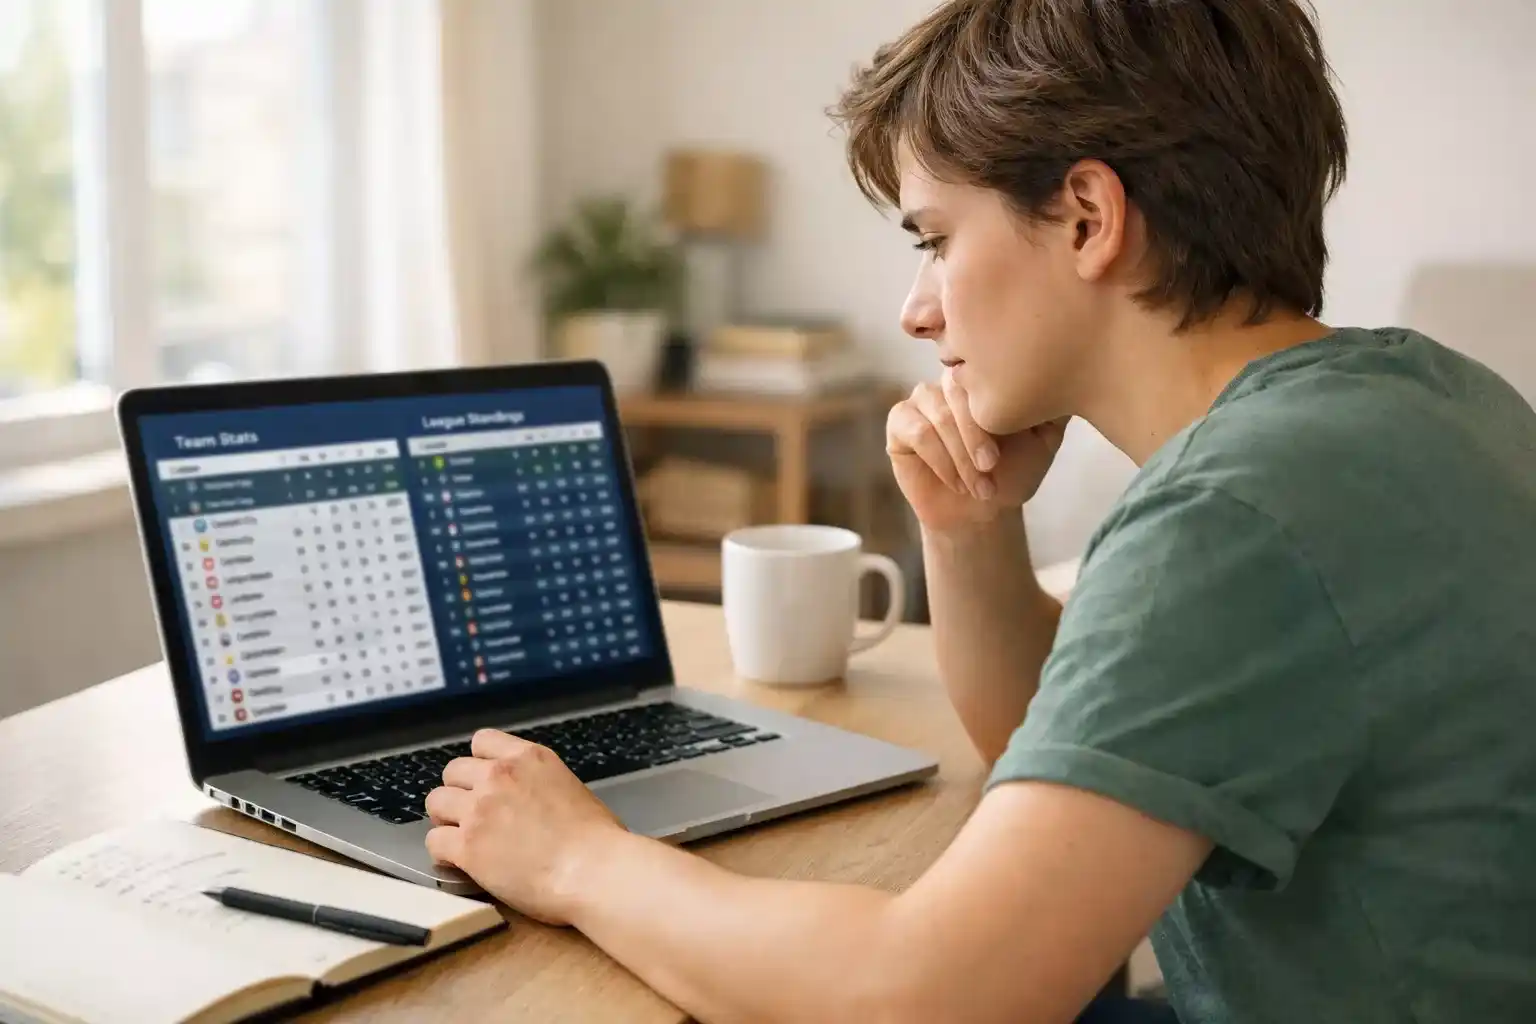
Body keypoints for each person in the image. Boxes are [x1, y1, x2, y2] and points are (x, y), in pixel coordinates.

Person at [421, 0, 1536, 1020]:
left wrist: (577, 859)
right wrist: (968, 529)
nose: (915, 309)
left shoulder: (1232, 513)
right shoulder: (1427, 395)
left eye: (936, 239)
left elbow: (933, 997)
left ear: (1091, 217)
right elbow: (1073, 754)